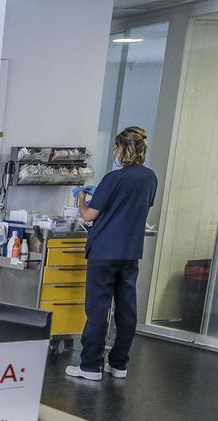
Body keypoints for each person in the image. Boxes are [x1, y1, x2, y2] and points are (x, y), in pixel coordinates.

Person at [66, 126, 158, 381]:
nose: (114, 152)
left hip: (105, 252)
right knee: (126, 309)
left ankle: (90, 366)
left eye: (116, 148)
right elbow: (137, 208)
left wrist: (83, 197)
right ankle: (118, 364)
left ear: (122, 148)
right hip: (130, 252)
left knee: (98, 308)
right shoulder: (150, 177)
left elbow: (89, 215)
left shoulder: (113, 178)